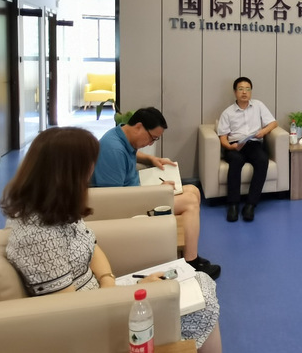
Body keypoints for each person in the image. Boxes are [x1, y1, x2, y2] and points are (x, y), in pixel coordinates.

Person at [0, 127, 223, 352]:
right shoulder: (38, 238)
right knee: (202, 300)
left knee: (199, 282)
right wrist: (127, 293)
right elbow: (69, 309)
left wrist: (109, 283)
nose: (91, 172)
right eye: (88, 166)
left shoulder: (57, 209)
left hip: (103, 296)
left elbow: (92, 246)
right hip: (93, 319)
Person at [91, 107, 221, 279]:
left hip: (135, 193)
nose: (151, 144)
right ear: (139, 127)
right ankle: (191, 262)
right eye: (152, 138)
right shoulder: (113, 149)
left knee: (193, 190)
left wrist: (151, 159)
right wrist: (156, 192)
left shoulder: (121, 135)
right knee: (190, 202)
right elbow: (114, 200)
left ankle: (188, 253)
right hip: (126, 206)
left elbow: (130, 154)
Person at [217, 77, 278, 223]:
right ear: (235, 92)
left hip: (253, 144)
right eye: (241, 89)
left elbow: (273, 123)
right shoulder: (228, 113)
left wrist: (263, 132)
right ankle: (233, 205)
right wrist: (229, 147)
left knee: (262, 160)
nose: (244, 92)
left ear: (251, 91)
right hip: (235, 145)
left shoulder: (258, 105)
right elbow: (223, 137)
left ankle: (250, 205)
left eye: (247, 89)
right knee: (236, 161)